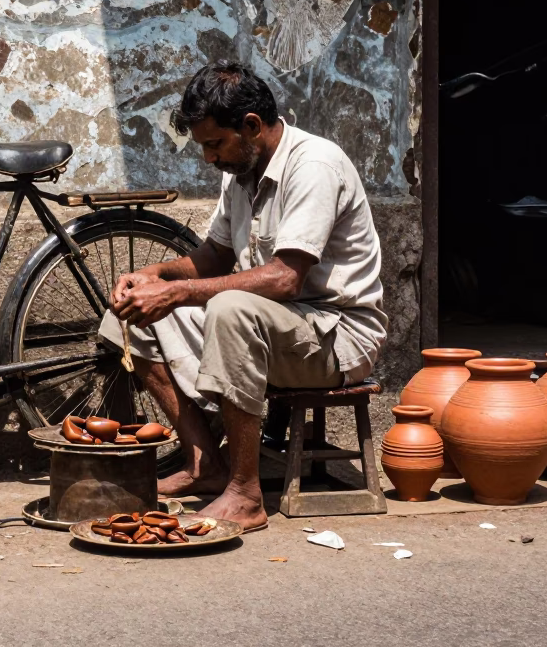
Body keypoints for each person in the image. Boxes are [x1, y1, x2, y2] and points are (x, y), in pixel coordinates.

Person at [99, 62, 387, 532]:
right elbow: (214, 254)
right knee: (129, 316)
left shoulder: (314, 165)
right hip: (280, 324)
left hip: (338, 335)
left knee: (230, 308)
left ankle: (246, 494)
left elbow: (285, 279)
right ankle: (203, 464)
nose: (209, 159)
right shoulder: (242, 169)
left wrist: (181, 292)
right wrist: (153, 276)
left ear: (251, 125)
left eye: (215, 144)